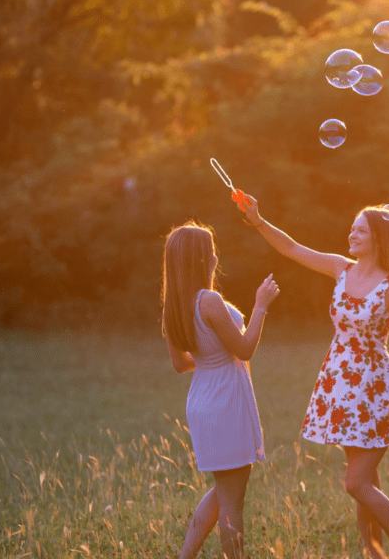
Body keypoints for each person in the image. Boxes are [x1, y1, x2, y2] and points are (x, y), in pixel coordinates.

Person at [241, 197, 389, 559]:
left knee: (355, 483)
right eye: (353, 228)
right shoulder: (340, 268)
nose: (352, 234)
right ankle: (373, 553)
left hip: (375, 389)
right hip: (339, 385)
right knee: (366, 482)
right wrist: (258, 219)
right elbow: (292, 248)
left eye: (361, 230)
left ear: (379, 239)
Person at [161, 222, 280, 559]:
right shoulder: (209, 301)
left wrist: (210, 358)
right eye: (210, 249)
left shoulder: (175, 306)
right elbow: (244, 349)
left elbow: (181, 364)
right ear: (201, 259)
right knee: (232, 500)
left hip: (202, 400)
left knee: (223, 490)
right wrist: (261, 305)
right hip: (226, 400)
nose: (216, 254)